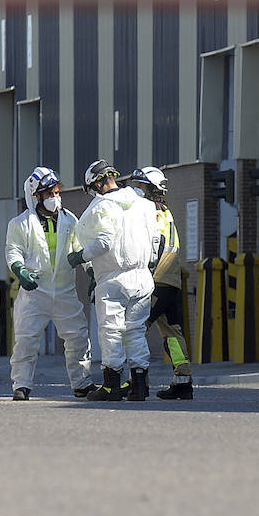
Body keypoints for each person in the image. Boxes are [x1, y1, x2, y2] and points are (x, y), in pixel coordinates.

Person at [68, 159, 160, 402]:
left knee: (111, 333)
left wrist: (79, 257)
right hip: (142, 278)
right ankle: (140, 386)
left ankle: (111, 386)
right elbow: (155, 242)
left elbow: (104, 242)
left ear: (96, 185)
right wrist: (147, 266)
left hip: (113, 279)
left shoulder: (101, 207)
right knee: (136, 332)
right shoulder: (144, 205)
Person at [6, 167, 95, 400]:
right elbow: (13, 251)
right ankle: (21, 385)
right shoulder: (20, 224)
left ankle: (82, 383)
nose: (55, 198)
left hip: (65, 290)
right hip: (35, 291)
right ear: (35, 196)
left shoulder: (70, 220)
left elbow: (79, 249)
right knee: (26, 339)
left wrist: (92, 273)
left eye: (57, 192)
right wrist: (20, 270)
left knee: (77, 337)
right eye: (49, 194)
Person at [129, 166, 193, 400]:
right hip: (172, 281)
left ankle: (137, 382)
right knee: (172, 332)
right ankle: (183, 382)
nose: (135, 190)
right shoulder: (165, 211)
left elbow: (152, 246)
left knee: (135, 329)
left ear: (149, 188)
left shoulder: (149, 213)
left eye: (139, 186)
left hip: (155, 280)